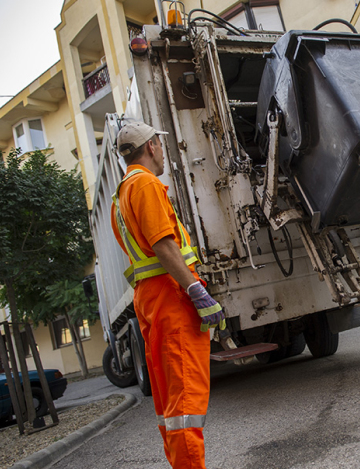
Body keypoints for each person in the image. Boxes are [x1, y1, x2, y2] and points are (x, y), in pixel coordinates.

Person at [110, 122, 225, 468]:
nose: (162, 149)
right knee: (186, 400)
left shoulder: (121, 194)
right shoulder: (145, 184)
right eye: (159, 142)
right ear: (150, 147)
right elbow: (163, 244)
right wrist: (194, 289)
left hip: (151, 299)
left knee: (172, 404)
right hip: (170, 297)